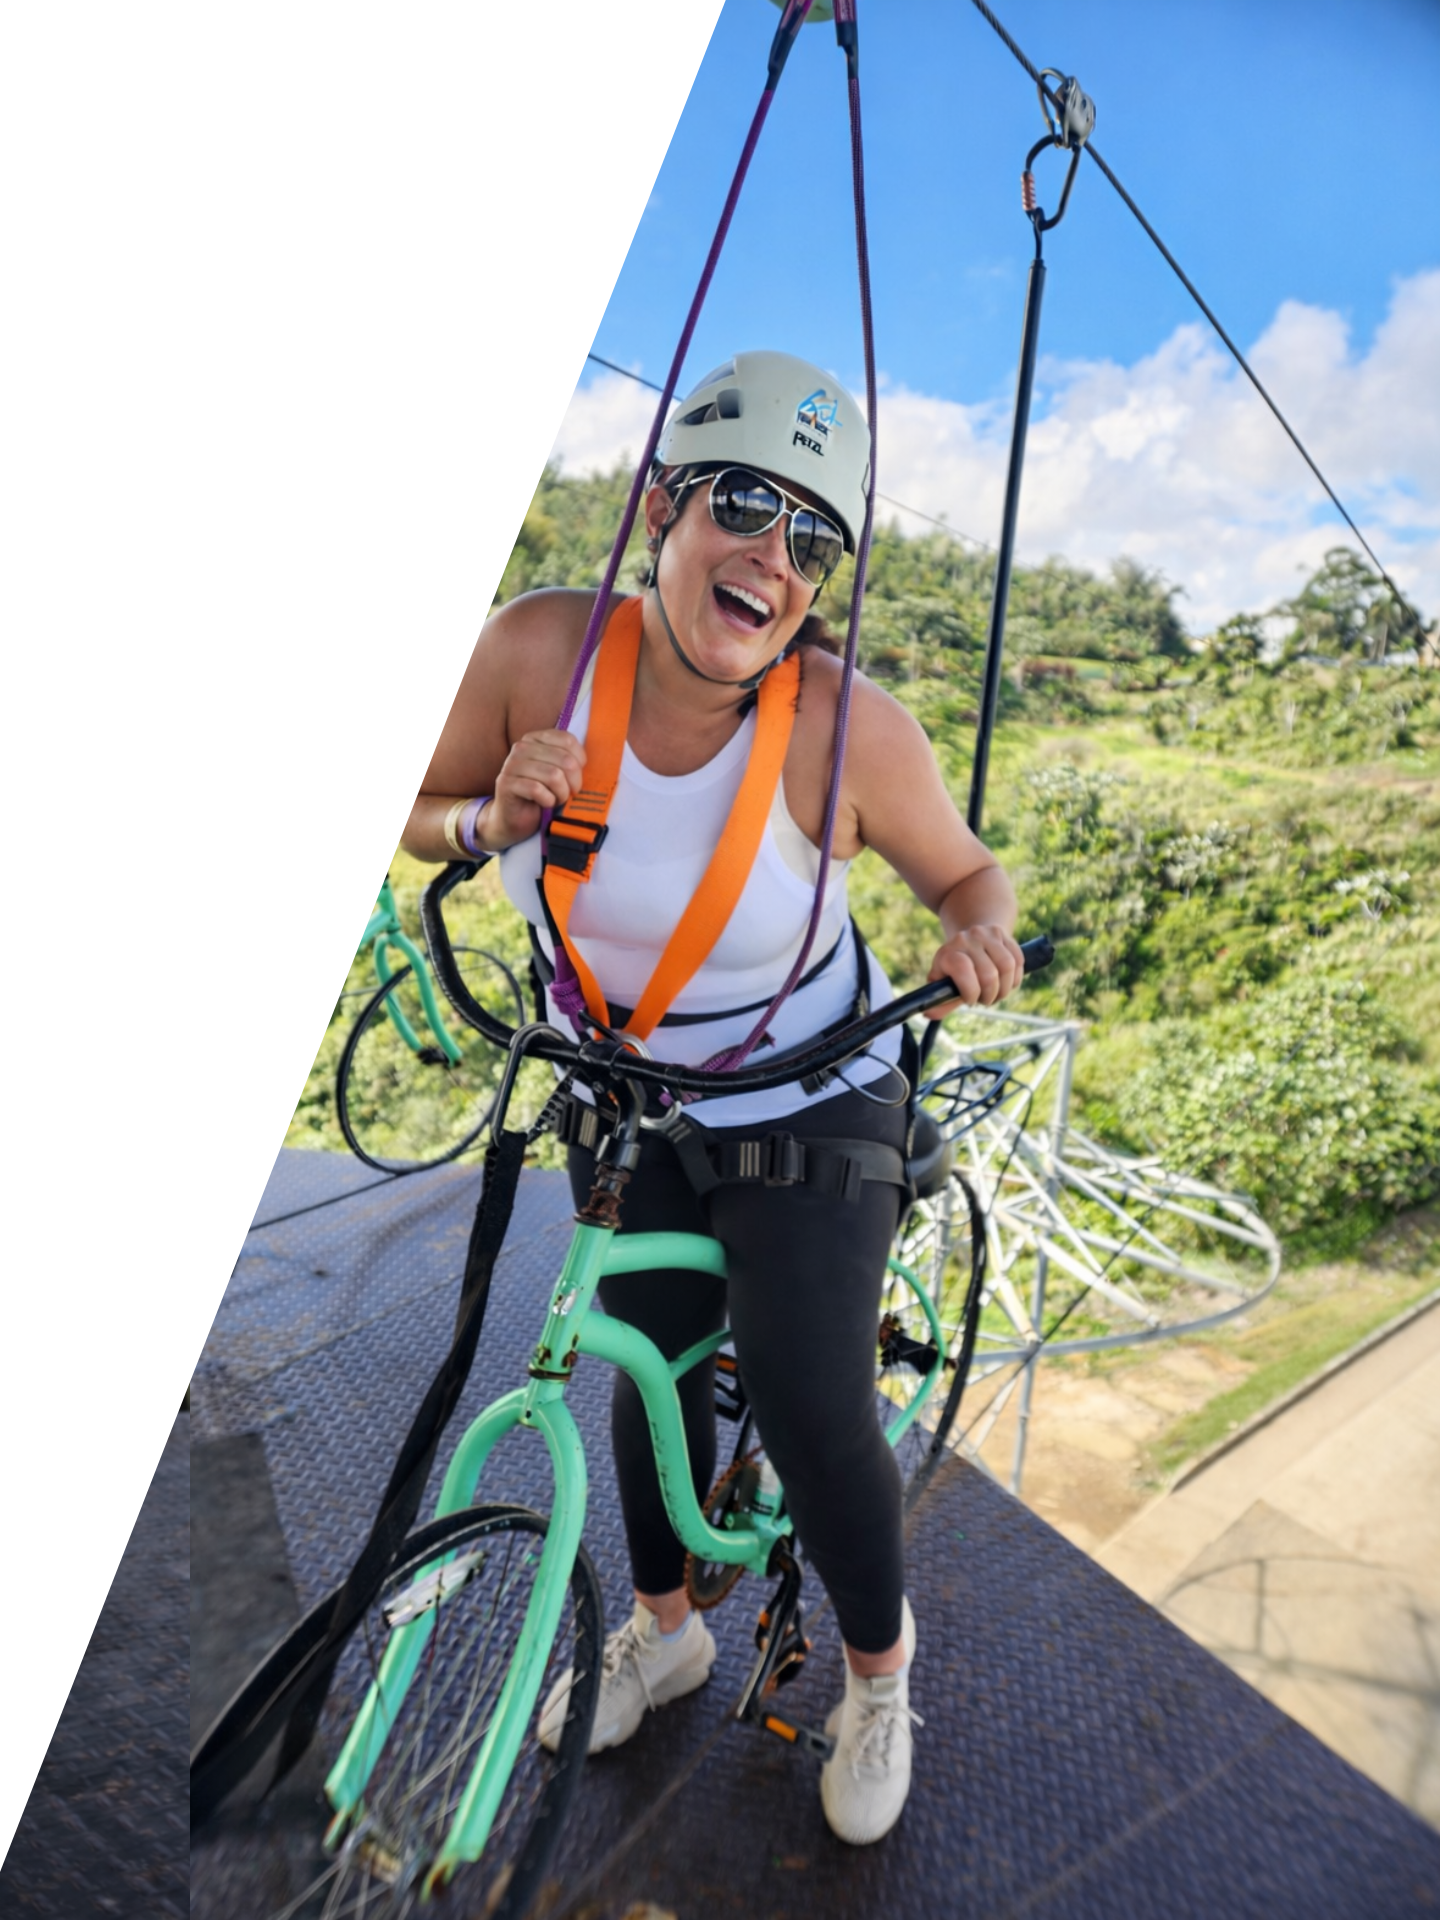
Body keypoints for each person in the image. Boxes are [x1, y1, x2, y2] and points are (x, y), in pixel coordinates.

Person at [402, 350, 1024, 1845]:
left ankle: (877, 1682)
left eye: (813, 539)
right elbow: (394, 815)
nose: (775, 557)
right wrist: (488, 817)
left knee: (811, 1399)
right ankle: (670, 1632)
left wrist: (976, 930)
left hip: (811, 1096)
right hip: (634, 1085)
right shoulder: (533, 656)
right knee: (646, 1364)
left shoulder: (847, 728)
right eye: (745, 505)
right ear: (661, 506)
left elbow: (964, 869)